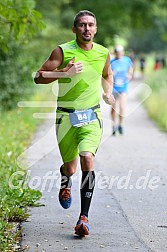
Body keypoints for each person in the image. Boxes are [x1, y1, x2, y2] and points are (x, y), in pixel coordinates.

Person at [34, 10, 115, 237]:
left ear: (96, 29)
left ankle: (84, 218)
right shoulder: (62, 51)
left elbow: (108, 75)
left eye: (90, 25)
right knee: (70, 167)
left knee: (87, 157)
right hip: (65, 117)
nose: (86, 29)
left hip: (91, 116)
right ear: (74, 29)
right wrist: (63, 72)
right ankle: (65, 179)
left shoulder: (103, 53)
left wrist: (108, 93)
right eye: (82, 25)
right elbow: (39, 76)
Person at [110, 45, 133, 135]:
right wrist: (112, 74)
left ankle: (121, 125)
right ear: (115, 53)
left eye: (120, 52)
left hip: (123, 88)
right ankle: (114, 125)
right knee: (113, 109)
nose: (119, 54)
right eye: (117, 52)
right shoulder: (112, 62)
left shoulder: (127, 60)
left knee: (122, 107)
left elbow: (131, 71)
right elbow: (107, 75)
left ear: (123, 52)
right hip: (114, 88)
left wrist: (129, 75)